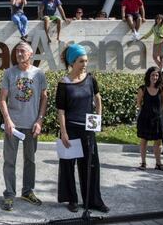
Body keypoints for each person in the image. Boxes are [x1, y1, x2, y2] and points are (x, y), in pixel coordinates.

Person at [55, 44, 109, 214]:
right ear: (72, 62)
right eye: (81, 61)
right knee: (68, 166)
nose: (85, 64)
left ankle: (93, 201)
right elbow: (61, 110)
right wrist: (63, 132)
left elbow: (98, 99)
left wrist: (96, 121)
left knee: (91, 166)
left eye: (86, 60)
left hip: (88, 130)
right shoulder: (63, 84)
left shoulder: (91, 79)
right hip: (70, 130)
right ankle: (72, 200)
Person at [0, 41, 48, 211]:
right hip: (13, 125)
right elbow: (2, 99)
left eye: (22, 51)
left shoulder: (39, 74)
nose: (19, 54)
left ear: (30, 54)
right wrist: (7, 119)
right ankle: (9, 195)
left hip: (31, 124)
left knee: (30, 160)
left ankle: (27, 191)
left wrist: (40, 120)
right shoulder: (9, 73)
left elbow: (44, 98)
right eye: (17, 51)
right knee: (9, 161)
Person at [136, 66, 163, 172]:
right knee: (143, 141)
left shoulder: (162, 89)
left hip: (157, 119)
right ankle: (143, 163)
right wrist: (146, 112)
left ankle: (158, 164)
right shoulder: (142, 89)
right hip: (145, 119)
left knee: (158, 142)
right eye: (152, 75)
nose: (155, 77)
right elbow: (139, 103)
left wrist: (156, 112)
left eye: (156, 75)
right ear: (148, 76)